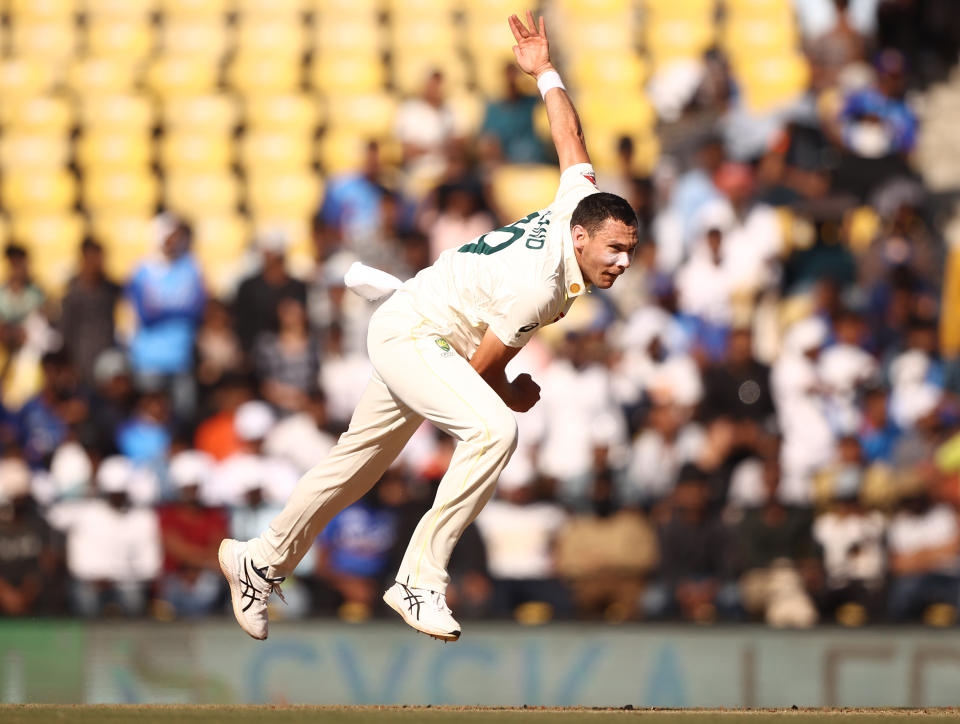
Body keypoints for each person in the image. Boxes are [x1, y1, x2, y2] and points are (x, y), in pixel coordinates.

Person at [218, 11, 639, 642]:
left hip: (419, 326)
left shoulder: (577, 201)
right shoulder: (537, 285)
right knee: (495, 429)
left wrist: (545, 71)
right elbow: (479, 373)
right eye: (613, 250)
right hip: (417, 337)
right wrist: (513, 392)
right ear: (580, 237)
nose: (623, 262)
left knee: (353, 467)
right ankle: (420, 578)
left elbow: (569, 139)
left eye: (629, 249)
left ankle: (259, 560)